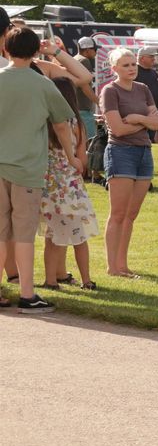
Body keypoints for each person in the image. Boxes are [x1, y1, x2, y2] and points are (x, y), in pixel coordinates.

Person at [0, 27, 78, 313]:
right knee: (23, 233)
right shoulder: (43, 84)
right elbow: (61, 124)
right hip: (28, 168)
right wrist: (71, 157)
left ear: (5, 49)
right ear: (35, 52)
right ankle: (27, 294)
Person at [100, 48, 158, 278]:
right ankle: (112, 267)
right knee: (118, 213)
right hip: (120, 151)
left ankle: (123, 266)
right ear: (114, 68)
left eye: (133, 64)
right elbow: (118, 129)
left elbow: (157, 124)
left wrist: (137, 119)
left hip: (144, 153)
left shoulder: (143, 89)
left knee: (131, 214)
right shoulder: (110, 91)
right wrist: (145, 123)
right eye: (125, 65)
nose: (131, 68)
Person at [40, 77, 99, 291]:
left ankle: (51, 280)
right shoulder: (78, 124)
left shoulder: (45, 123)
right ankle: (87, 280)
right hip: (73, 187)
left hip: (51, 186)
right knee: (79, 236)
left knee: (52, 237)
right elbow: (82, 160)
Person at [73, 36, 100, 142]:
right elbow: (85, 87)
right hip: (83, 108)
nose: (96, 52)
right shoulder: (84, 61)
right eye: (95, 49)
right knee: (89, 142)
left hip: (75, 107)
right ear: (88, 50)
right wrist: (99, 102)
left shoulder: (75, 59)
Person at [134, 47, 158, 113]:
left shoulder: (153, 72)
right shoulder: (134, 72)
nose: (153, 59)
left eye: (153, 56)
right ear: (142, 58)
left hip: (156, 112)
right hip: (142, 113)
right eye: (151, 56)